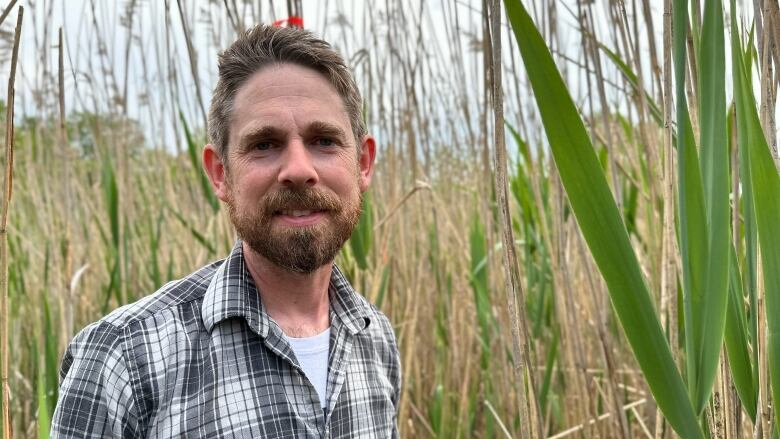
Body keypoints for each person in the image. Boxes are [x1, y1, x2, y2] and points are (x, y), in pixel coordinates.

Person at [51, 24, 401, 438]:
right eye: (264, 144)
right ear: (220, 173)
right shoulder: (121, 357)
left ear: (363, 163)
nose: (299, 171)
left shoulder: (375, 339)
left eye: (323, 140)